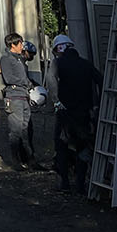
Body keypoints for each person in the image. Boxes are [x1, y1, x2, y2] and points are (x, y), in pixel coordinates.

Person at [46, 34, 102, 193]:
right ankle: (80, 184)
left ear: (58, 50)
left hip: (65, 115)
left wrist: (56, 101)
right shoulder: (86, 64)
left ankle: (64, 183)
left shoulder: (58, 63)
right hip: (84, 115)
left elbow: (50, 80)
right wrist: (98, 105)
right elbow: (101, 80)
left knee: (62, 146)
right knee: (82, 148)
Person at [0, 31, 40, 169]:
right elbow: (8, 78)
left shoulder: (20, 59)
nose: (22, 45)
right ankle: (15, 161)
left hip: (24, 96)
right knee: (15, 130)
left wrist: (31, 84)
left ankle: (30, 160)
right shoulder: (6, 59)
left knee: (26, 129)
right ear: (13, 44)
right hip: (14, 96)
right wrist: (25, 82)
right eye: (20, 43)